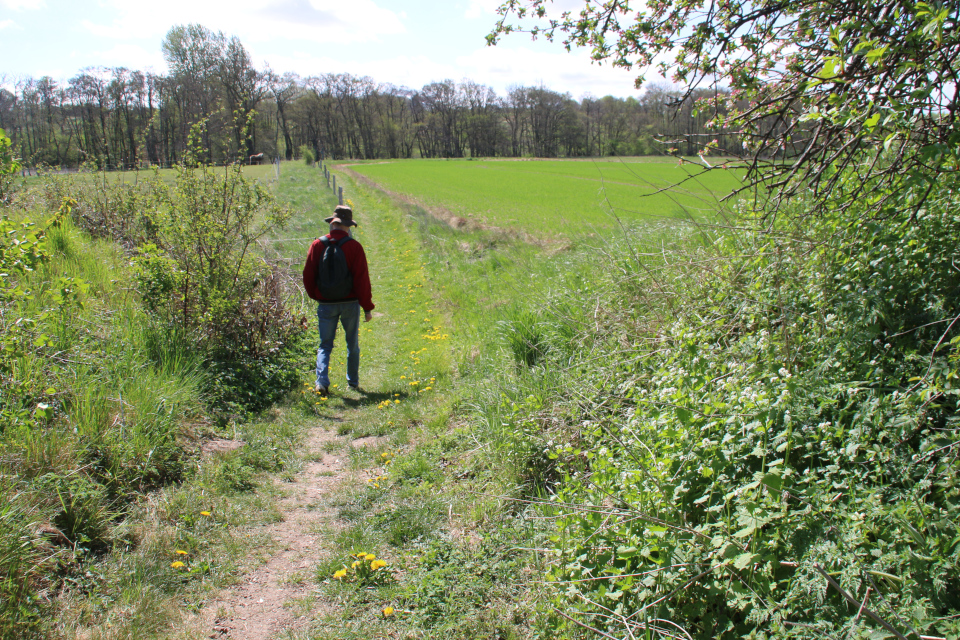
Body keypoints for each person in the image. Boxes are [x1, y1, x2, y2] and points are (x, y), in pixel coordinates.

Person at [302, 205, 374, 394]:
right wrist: (367, 307)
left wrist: (317, 295)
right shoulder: (354, 247)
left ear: (332, 223)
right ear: (348, 226)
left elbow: (308, 276)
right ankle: (353, 383)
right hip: (350, 303)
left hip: (325, 303)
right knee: (352, 344)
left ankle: (321, 383)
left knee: (325, 344)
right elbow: (362, 280)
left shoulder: (317, 245)